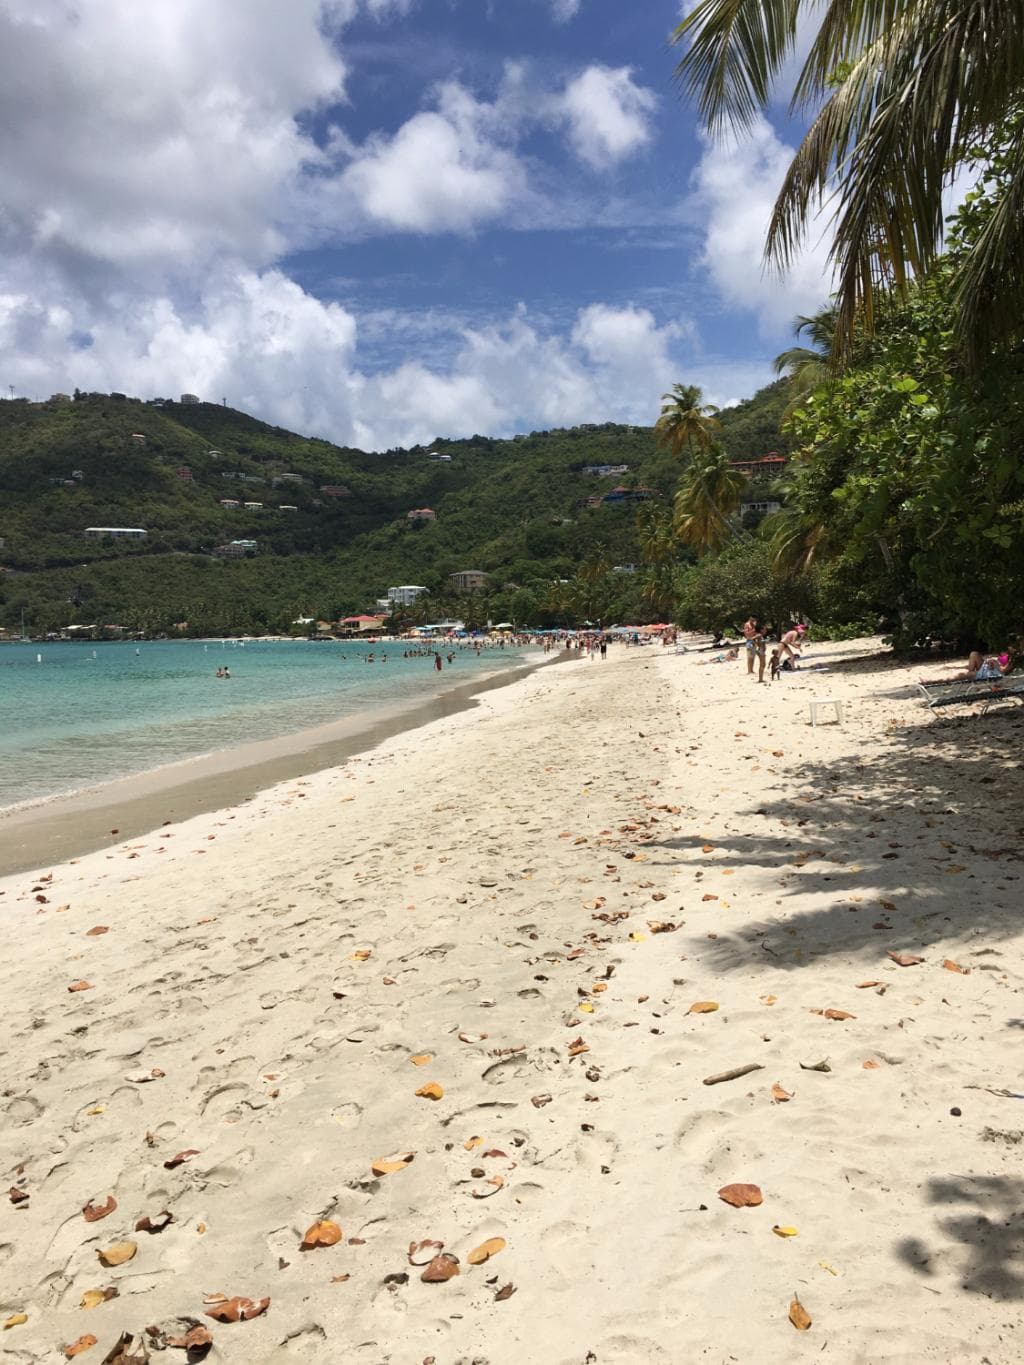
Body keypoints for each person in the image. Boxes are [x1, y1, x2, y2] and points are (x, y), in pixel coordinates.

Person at [742, 617, 766, 682]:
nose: (754, 620)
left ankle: (751, 670)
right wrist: (754, 630)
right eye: (753, 619)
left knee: (753, 656)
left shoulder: (754, 624)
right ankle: (749, 670)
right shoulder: (747, 625)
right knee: (750, 656)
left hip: (754, 641)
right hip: (749, 641)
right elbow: (746, 634)